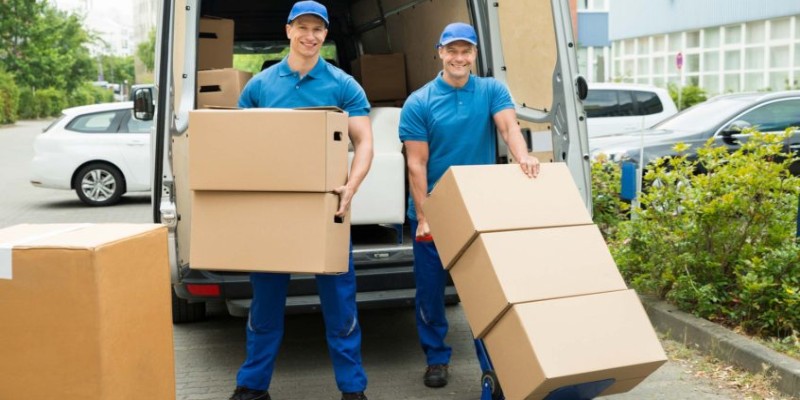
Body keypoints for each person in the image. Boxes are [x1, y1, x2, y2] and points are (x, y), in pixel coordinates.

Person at [229, 2, 374, 400]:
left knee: (340, 305)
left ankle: (353, 389)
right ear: (289, 30)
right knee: (265, 304)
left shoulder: (343, 85)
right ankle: (252, 386)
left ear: (325, 34)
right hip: (273, 211)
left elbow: (364, 142)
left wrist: (352, 185)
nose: (311, 36)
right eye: (303, 28)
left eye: (318, 30)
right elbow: (240, 144)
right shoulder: (260, 86)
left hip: (327, 208)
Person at [399, 22, 539, 389]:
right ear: (440, 53)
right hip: (435, 210)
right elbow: (416, 164)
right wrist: (425, 215)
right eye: (452, 50)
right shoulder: (419, 102)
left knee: (483, 294)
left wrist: (523, 157)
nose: (458, 58)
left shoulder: (492, 90)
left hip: (479, 208)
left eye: (465, 51)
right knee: (430, 293)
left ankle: (491, 367)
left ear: (474, 54)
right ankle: (436, 358)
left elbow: (509, 128)